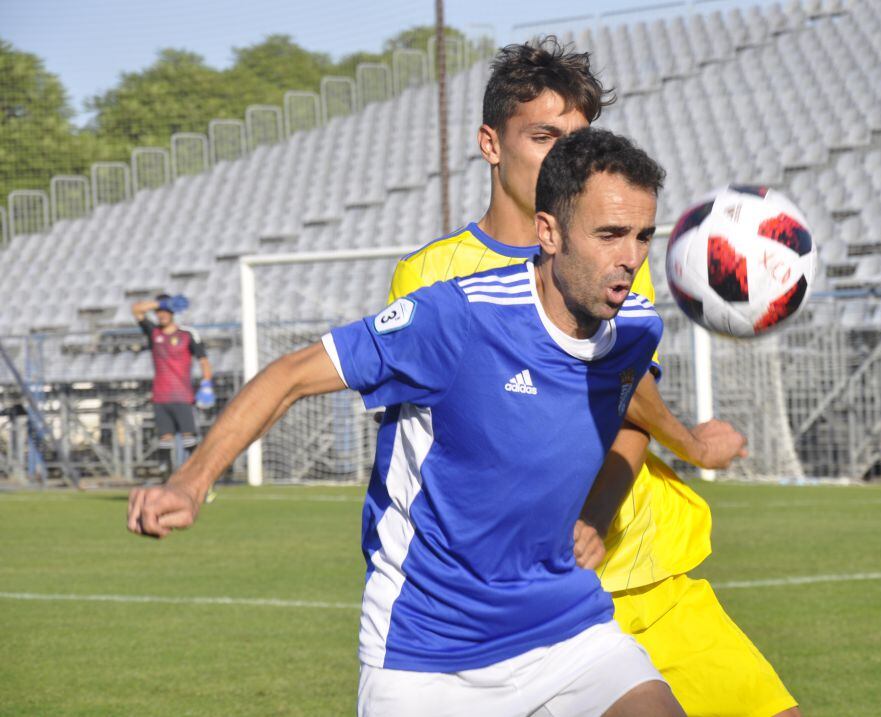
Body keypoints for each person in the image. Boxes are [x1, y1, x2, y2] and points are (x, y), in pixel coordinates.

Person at [128, 128, 685, 717]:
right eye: (610, 234)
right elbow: (290, 373)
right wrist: (191, 482)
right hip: (428, 652)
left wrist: (597, 513)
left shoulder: (636, 330)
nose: (631, 258)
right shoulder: (457, 317)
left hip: (568, 630)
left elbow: (629, 414)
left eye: (643, 235)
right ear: (548, 232)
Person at [387, 38, 800, 717]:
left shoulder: (614, 251)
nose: (562, 155)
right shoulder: (430, 276)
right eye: (542, 135)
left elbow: (630, 407)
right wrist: (690, 443)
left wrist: (597, 511)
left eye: (576, 138)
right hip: (526, 607)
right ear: (490, 143)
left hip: (645, 569)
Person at [131, 294, 214, 478]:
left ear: (173, 313)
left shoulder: (187, 334)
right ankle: (166, 480)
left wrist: (206, 383)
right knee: (164, 439)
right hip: (160, 396)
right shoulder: (153, 333)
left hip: (183, 396)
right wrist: (160, 303)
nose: (162, 314)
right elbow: (136, 309)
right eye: (159, 311)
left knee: (189, 437)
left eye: (166, 310)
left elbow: (204, 360)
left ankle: (198, 477)